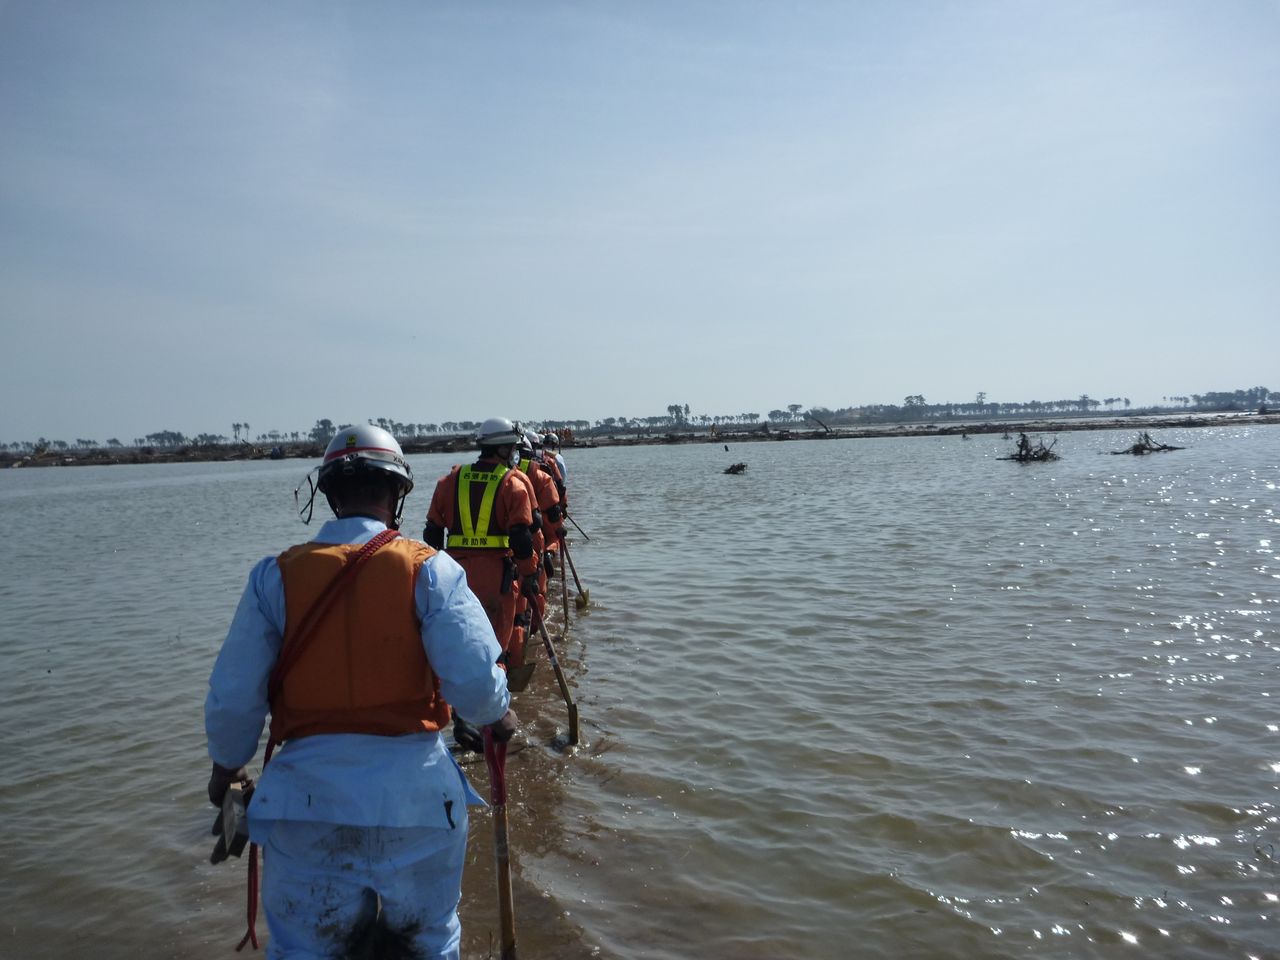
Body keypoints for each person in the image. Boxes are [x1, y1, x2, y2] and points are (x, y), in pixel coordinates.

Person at [204, 423, 515, 959]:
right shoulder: (431, 571)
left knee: (305, 950)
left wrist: (227, 767)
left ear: (328, 494)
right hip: (417, 805)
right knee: (428, 945)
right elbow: (478, 691)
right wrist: (499, 714)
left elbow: (234, 700)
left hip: (306, 807)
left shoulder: (272, 578)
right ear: (397, 494)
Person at [423, 417, 540, 669]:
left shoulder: (450, 480)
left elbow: (432, 532)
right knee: (495, 647)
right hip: (496, 577)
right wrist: (530, 574)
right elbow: (521, 535)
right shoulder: (512, 483)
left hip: (455, 576)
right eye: (511, 448)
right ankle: (497, 700)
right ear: (503, 449)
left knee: (459, 643)